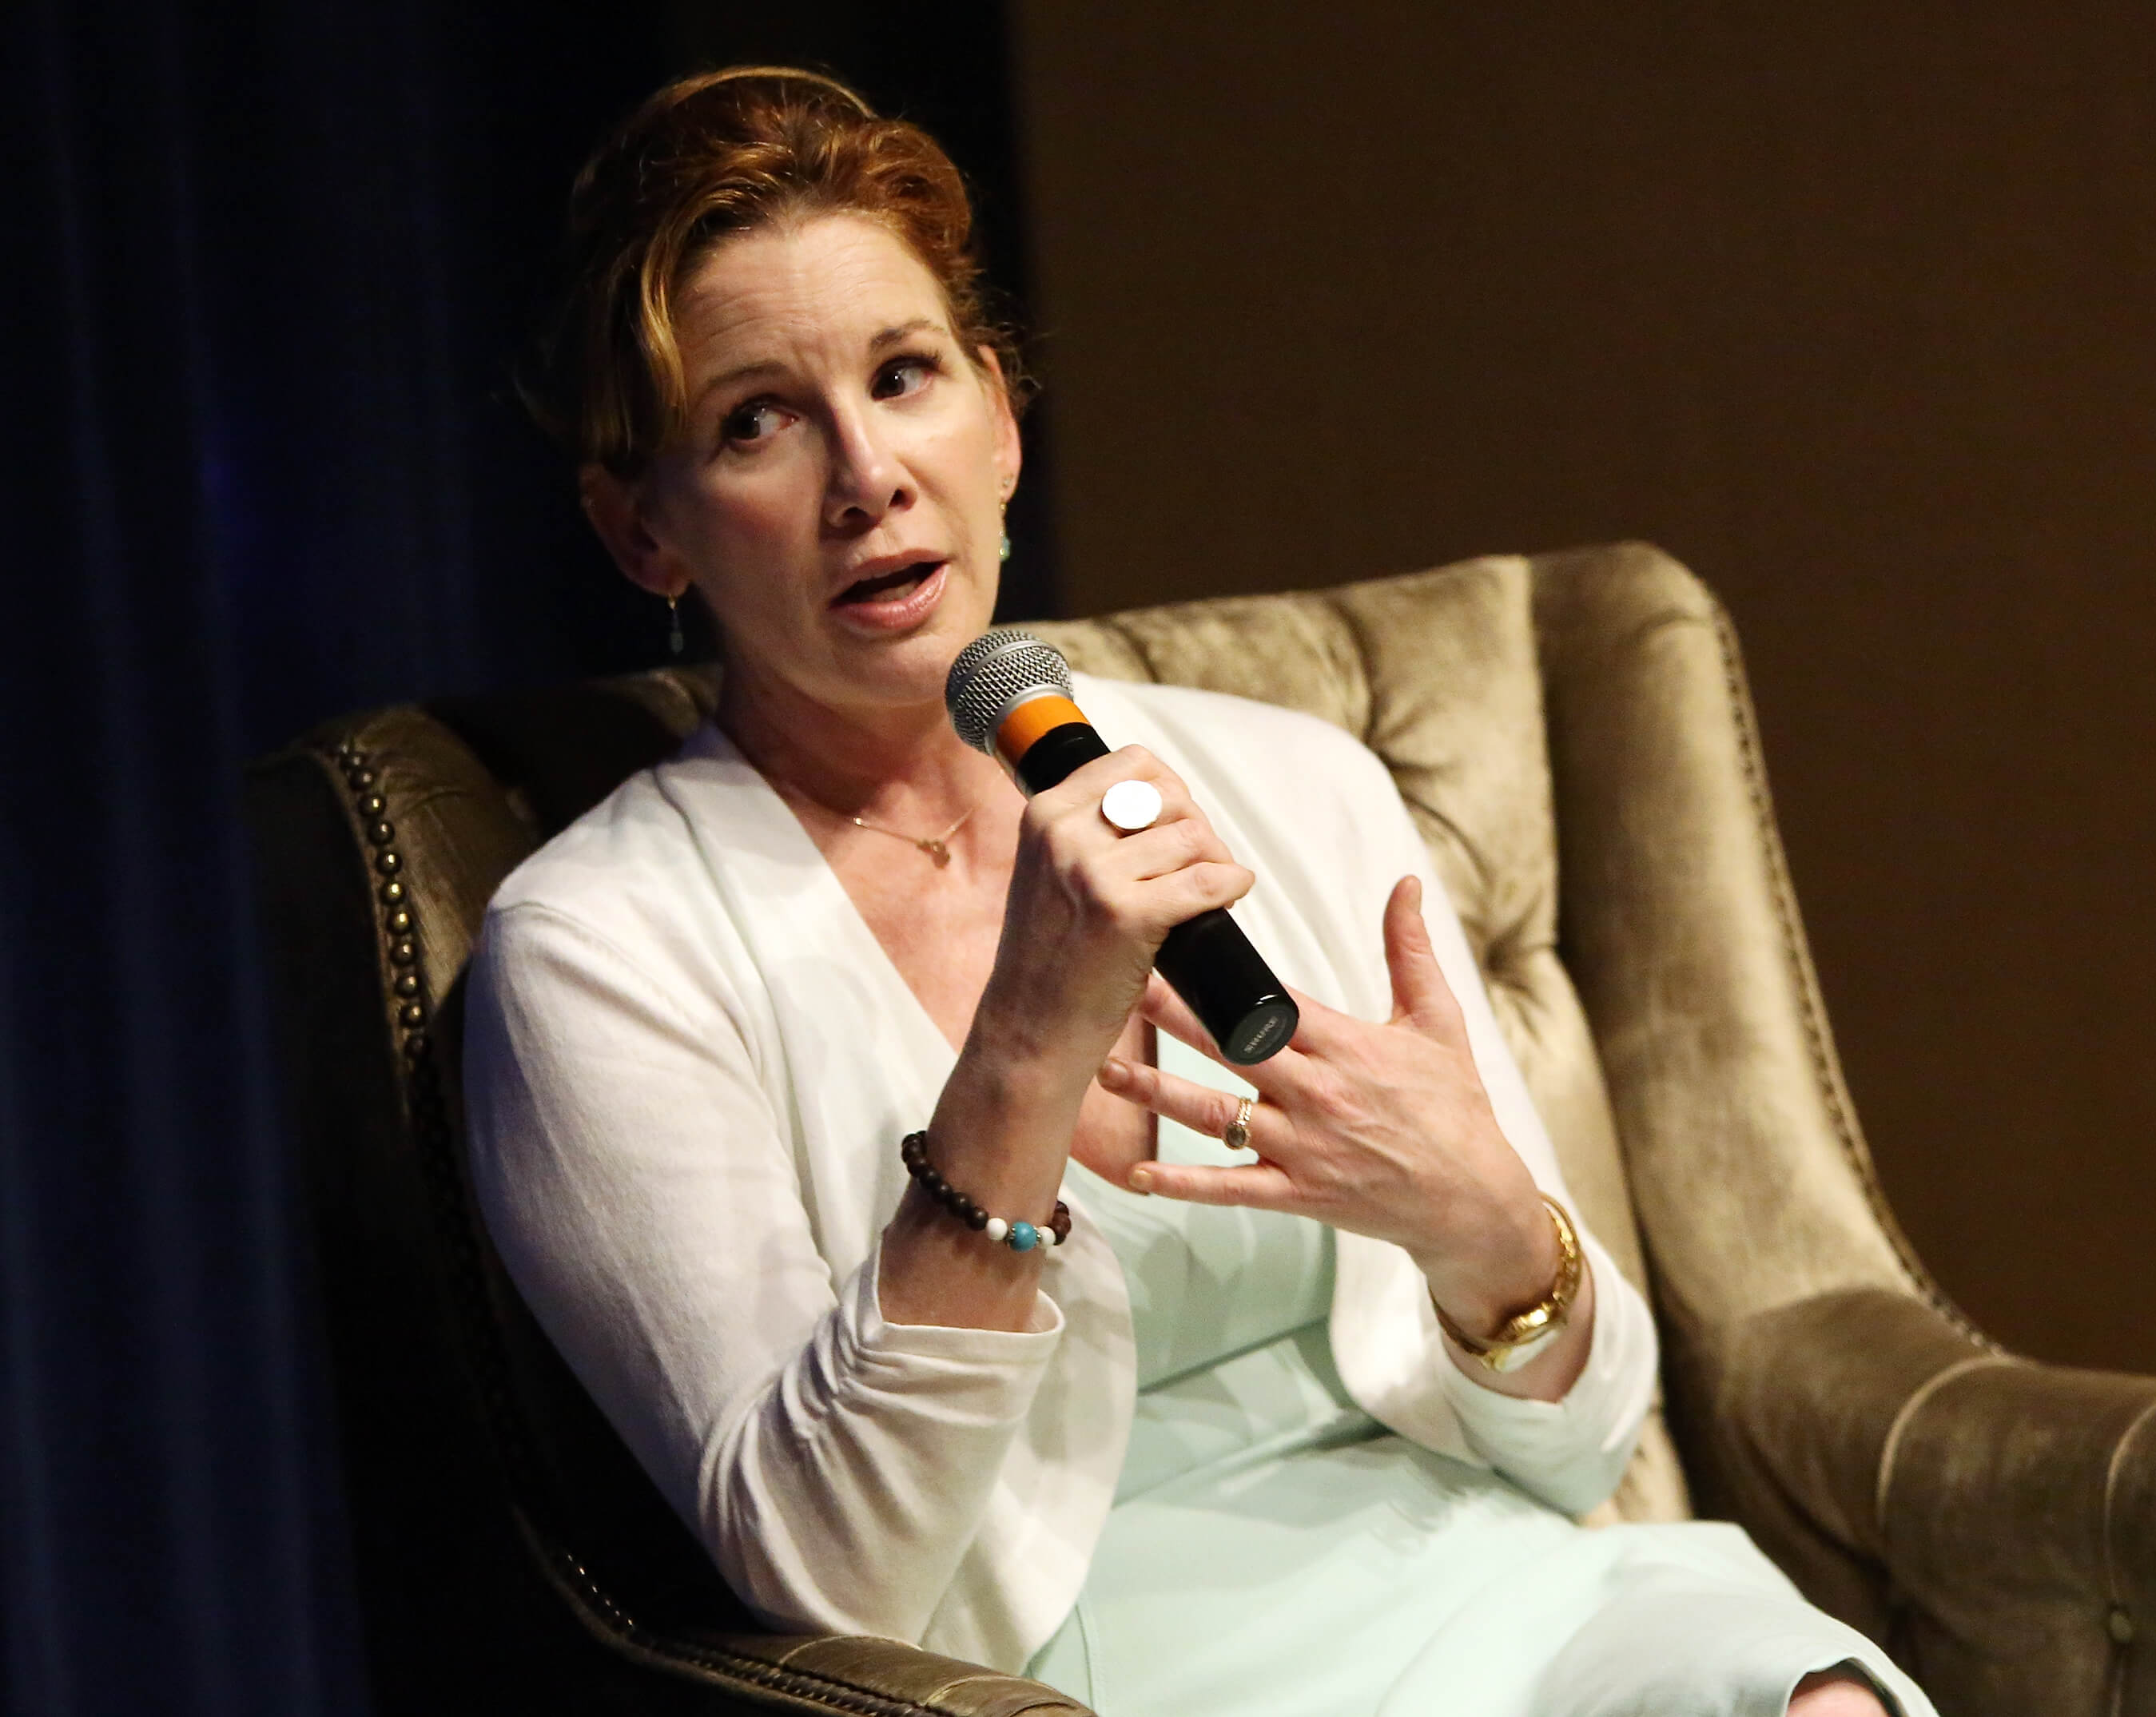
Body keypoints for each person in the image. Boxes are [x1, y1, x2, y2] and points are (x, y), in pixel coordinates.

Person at [466, 66, 1935, 1717]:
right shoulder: (601, 952)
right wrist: (1022, 1046)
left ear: (1002, 417)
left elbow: (1581, 1444)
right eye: (755, 421)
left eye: (905, 375)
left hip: (1485, 1570)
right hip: (1069, 1673)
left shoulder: (1295, 782)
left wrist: (1483, 1222)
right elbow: (832, 1583)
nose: (866, 471)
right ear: (642, 530)